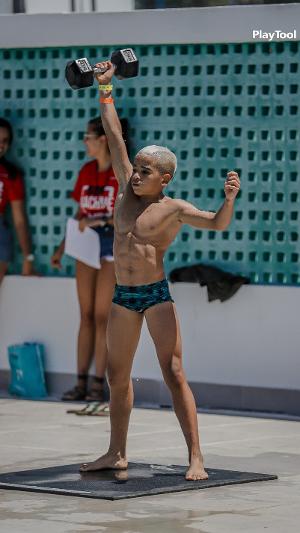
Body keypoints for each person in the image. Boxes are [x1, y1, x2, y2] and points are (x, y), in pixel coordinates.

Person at [79, 63, 241, 481]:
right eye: (135, 168)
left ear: (164, 178)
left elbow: (217, 224)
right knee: (117, 377)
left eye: (145, 171)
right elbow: (114, 134)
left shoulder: (174, 209)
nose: (135, 174)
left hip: (154, 296)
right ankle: (116, 453)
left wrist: (229, 199)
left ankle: (196, 456)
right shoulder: (123, 187)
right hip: (122, 297)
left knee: (173, 372)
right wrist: (106, 87)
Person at [51, 116, 128, 402]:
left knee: (101, 315)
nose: (85, 142)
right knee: (84, 315)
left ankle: (99, 383)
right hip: (84, 243)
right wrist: (62, 248)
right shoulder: (86, 171)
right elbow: (82, 214)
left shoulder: (119, 173)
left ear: (103, 140)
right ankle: (80, 381)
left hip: (109, 242)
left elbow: (126, 214)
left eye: (88, 137)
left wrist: (101, 221)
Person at [0, 118, 36, 286]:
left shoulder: (11, 175)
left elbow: (19, 220)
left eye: (5, 141)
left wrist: (28, 257)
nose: (1, 145)